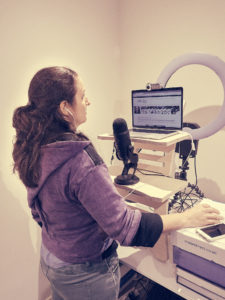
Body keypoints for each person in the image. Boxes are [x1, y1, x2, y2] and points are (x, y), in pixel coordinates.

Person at [12, 67, 223, 300]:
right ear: (65, 109)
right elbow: (124, 228)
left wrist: (75, 225)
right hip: (86, 275)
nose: (88, 101)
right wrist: (187, 218)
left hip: (52, 258)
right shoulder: (80, 161)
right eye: (82, 96)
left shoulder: (32, 147)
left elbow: (38, 211)